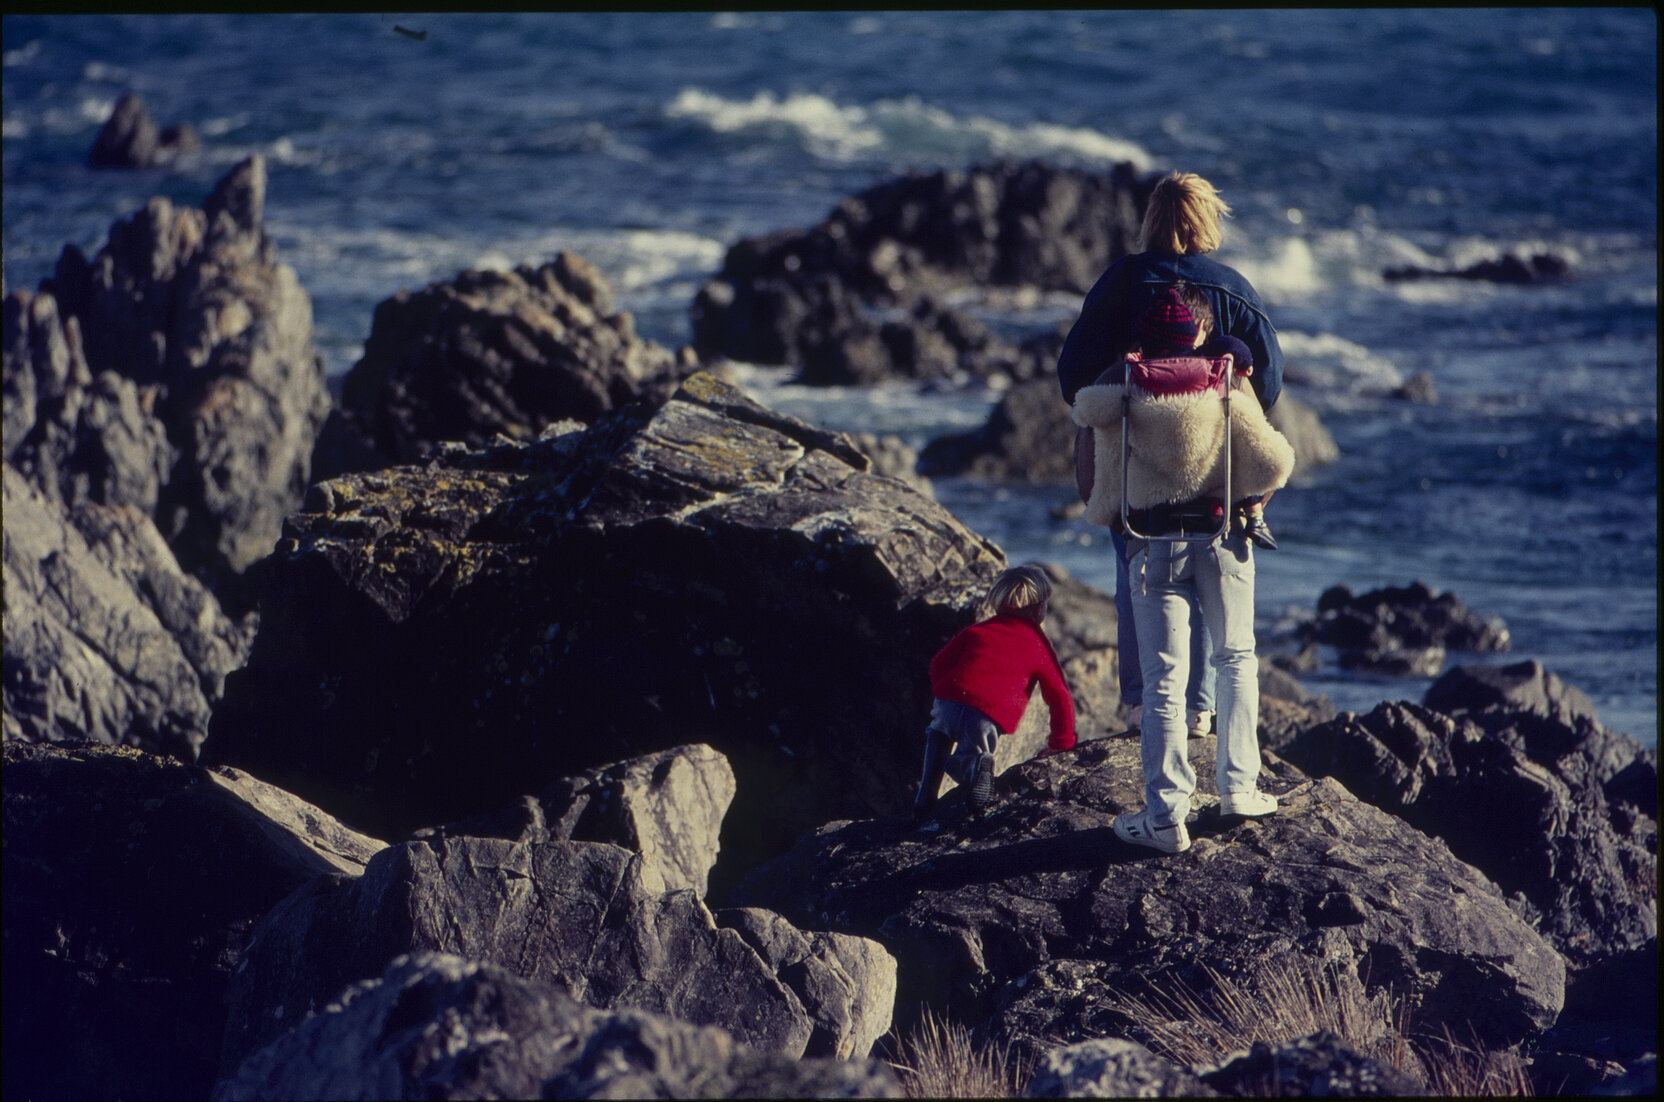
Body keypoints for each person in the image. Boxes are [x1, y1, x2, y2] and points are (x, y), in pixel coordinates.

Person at [1056, 171, 1285, 739]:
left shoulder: (1122, 282)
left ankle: (1140, 705)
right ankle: (1199, 708)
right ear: (1208, 220)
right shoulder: (1231, 289)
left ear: (1152, 219)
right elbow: (1272, 380)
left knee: (1133, 575)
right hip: (1211, 459)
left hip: (1134, 463)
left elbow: (1072, 374)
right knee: (1209, 573)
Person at [1070, 286, 1295, 853]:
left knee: (1165, 681)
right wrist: (1253, 498)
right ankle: (1239, 789)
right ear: (1198, 334)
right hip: (1220, 539)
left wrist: (1110, 517)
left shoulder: (1122, 387)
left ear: (1145, 337)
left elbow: (1095, 473)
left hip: (1152, 542)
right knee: (1235, 658)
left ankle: (1166, 818)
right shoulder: (1223, 382)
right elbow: (1274, 462)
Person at [913, 564, 1077, 823]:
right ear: (1039, 608)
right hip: (987, 715)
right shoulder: (1038, 644)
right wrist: (1061, 743)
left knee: (938, 732)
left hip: (949, 701)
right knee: (975, 754)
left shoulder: (978, 630)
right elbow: (1059, 696)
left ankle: (925, 796)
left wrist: (949, 690)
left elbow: (938, 665)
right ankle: (975, 770)